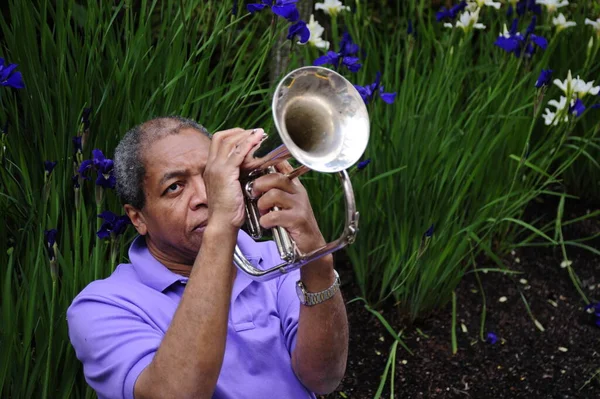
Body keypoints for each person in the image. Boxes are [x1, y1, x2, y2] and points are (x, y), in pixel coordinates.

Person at [67, 116, 349, 399]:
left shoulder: (276, 257)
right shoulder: (101, 305)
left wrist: (317, 262)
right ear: (138, 218)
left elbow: (323, 379)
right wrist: (222, 225)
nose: (205, 196)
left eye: (210, 177)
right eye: (175, 187)